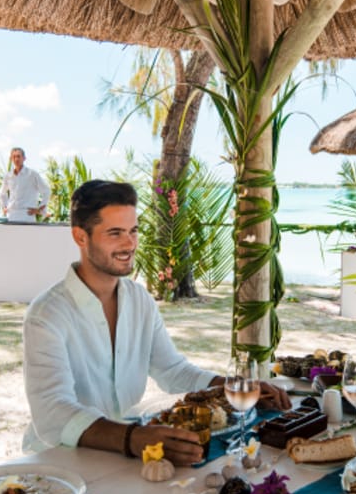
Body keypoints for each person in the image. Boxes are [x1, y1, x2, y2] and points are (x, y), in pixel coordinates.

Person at [22, 180, 290, 464]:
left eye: (133, 231)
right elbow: (52, 413)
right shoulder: (46, 315)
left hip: (126, 458)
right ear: (80, 237)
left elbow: (173, 371)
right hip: (60, 461)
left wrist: (233, 388)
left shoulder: (139, 300)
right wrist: (133, 437)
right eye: (115, 233)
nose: (129, 243)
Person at [0, 147, 48, 222]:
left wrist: (39, 209)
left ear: (24, 158)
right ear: (11, 159)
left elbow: (46, 191)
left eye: (18, 156)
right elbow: (2, 193)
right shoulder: (8, 176)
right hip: (11, 215)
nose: (16, 159)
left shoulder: (32, 174)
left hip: (27, 215)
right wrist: (4, 207)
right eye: (14, 157)